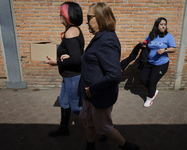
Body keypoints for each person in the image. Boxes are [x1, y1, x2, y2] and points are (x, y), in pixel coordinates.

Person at [78, 2, 140, 150]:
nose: (86, 20)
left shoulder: (107, 40)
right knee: (89, 122)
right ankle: (90, 145)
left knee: (104, 128)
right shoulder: (100, 36)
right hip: (90, 94)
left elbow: (114, 75)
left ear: (100, 17)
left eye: (89, 16)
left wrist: (92, 90)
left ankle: (125, 145)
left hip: (98, 95)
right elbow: (93, 60)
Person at [45, 2, 84, 137]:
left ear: (68, 15)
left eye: (61, 14)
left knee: (77, 107)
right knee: (64, 101)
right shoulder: (72, 30)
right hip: (68, 76)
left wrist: (56, 62)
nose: (59, 16)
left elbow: (76, 59)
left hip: (72, 76)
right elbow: (76, 54)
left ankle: (102, 128)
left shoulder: (71, 32)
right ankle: (64, 129)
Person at [139, 17, 176, 108]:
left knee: (152, 82)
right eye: (161, 24)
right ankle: (153, 90)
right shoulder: (152, 35)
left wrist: (165, 49)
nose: (163, 26)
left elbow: (174, 48)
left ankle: (149, 98)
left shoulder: (168, 36)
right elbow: (146, 42)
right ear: (157, 25)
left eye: (165, 24)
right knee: (142, 79)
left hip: (161, 64)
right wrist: (143, 44)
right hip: (149, 62)